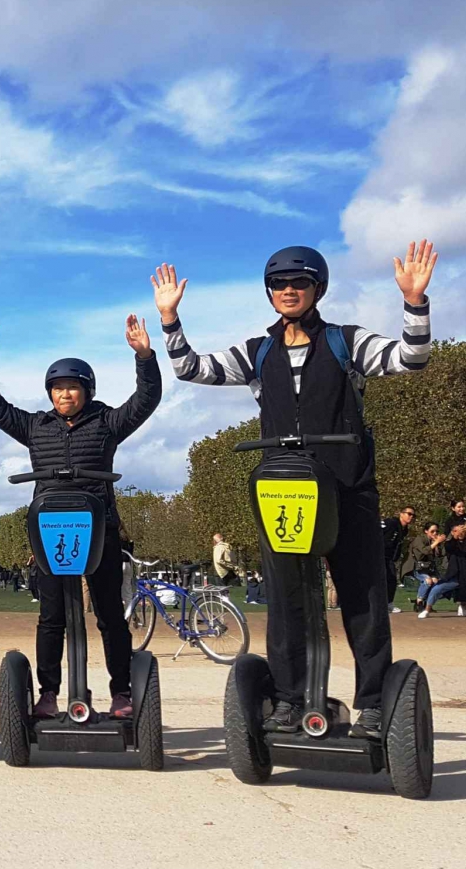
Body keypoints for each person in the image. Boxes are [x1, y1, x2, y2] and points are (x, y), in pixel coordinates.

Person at [154, 240, 435, 738]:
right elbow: (190, 368)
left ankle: (373, 704)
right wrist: (170, 320)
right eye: (279, 284)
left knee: (364, 599)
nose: (289, 290)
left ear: (317, 289)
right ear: (269, 292)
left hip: (347, 487)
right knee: (286, 603)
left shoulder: (346, 342)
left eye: (299, 282)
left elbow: (411, 358)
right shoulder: (258, 352)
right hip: (284, 488)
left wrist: (414, 301)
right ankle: (288, 699)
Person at [0, 309, 161, 719]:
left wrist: (144, 357)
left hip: (99, 529)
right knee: (51, 617)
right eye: (58, 389)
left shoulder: (107, 422)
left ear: (86, 391)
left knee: (109, 614)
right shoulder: (35, 426)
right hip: (50, 530)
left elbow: (145, 400)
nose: (64, 395)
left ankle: (121, 691)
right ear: (50, 393)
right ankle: (48, 693)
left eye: (72, 388)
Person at [402, 523, 445, 612]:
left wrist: (437, 544)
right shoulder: (420, 539)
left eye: (437, 531)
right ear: (426, 531)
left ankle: (428, 603)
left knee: (435, 581)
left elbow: (440, 554)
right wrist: (436, 542)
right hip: (416, 567)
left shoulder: (434, 541)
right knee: (427, 581)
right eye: (432, 531)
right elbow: (424, 551)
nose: (435, 533)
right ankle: (419, 603)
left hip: (428, 568)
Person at [380, 505, 414, 613]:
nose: (411, 517)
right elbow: (375, 531)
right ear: (401, 514)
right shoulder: (391, 523)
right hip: (378, 556)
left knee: (392, 579)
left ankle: (388, 604)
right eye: (409, 514)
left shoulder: (404, 530)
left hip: (388, 558)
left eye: (413, 515)